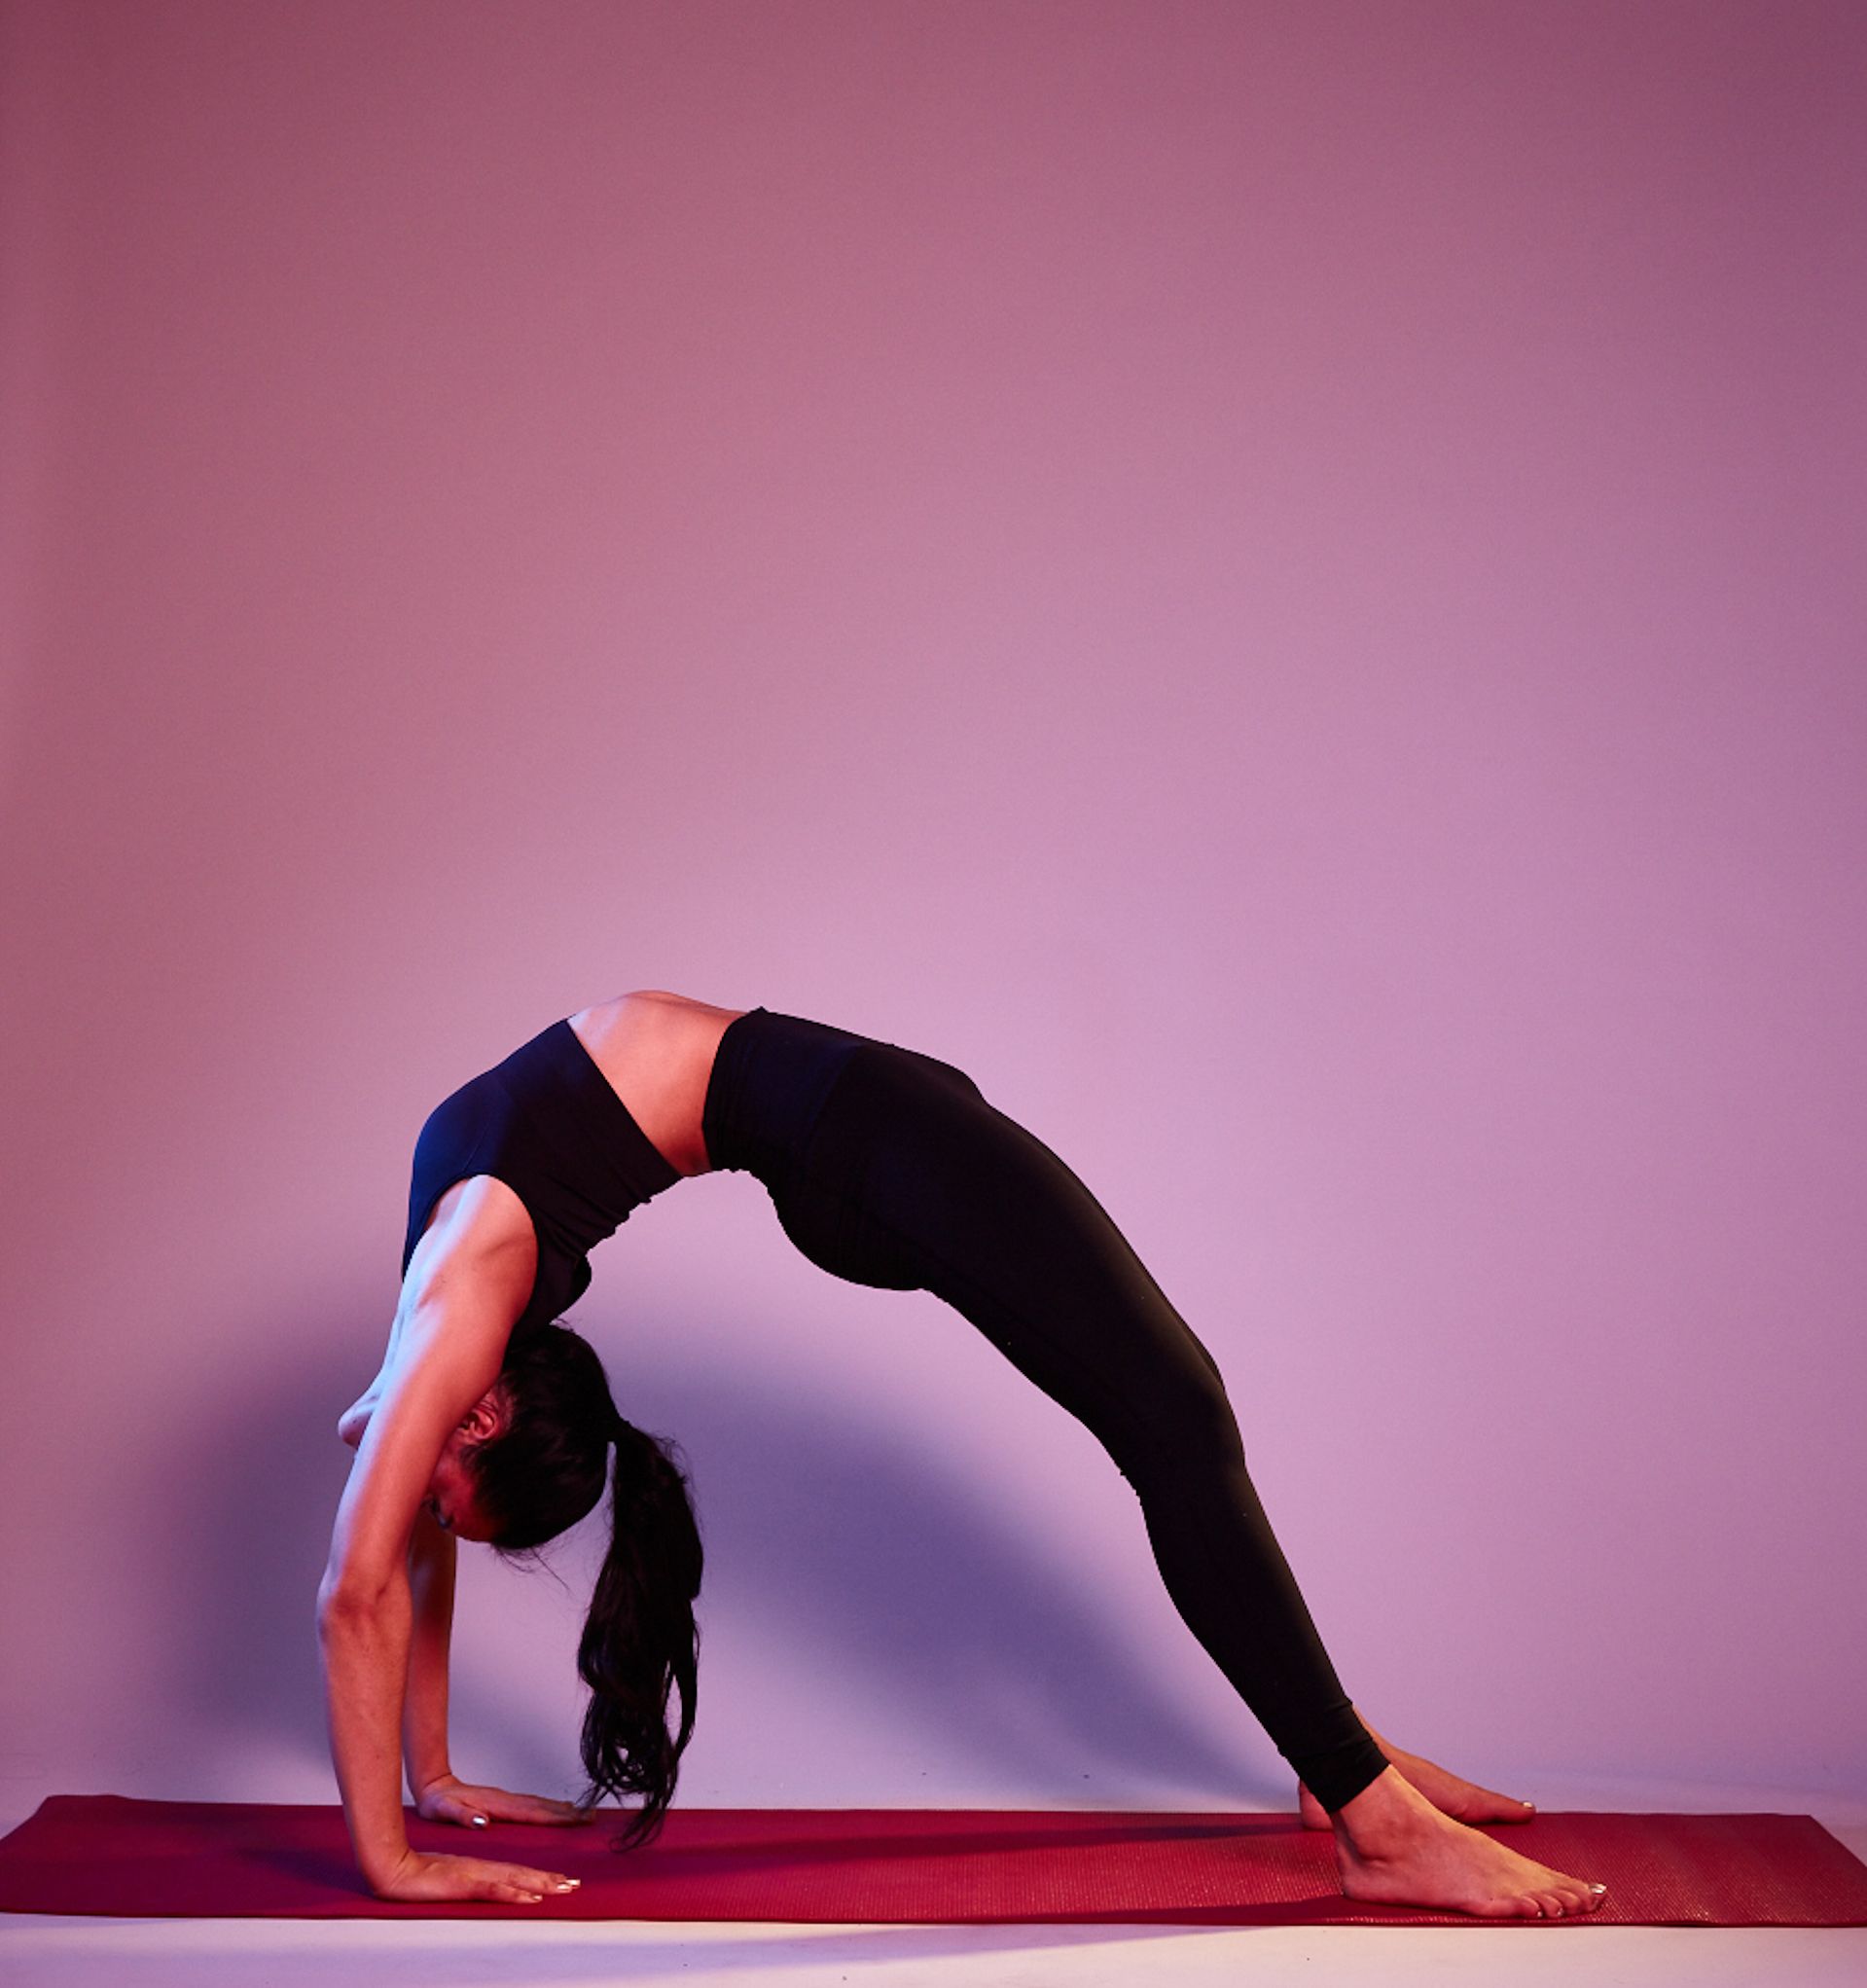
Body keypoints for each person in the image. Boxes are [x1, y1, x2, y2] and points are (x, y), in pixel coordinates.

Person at [320, 990, 1609, 1920]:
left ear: (480, 1418)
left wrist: (390, 1852)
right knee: (1176, 1415)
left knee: (1174, 1417)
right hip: (853, 1132)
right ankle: (1367, 1803)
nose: (414, 1487)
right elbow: (400, 1564)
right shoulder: (448, 1316)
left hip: (866, 1139)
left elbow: (356, 1593)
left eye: (439, 1484)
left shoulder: (453, 1306)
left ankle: (1352, 1778)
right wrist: (427, 1778)